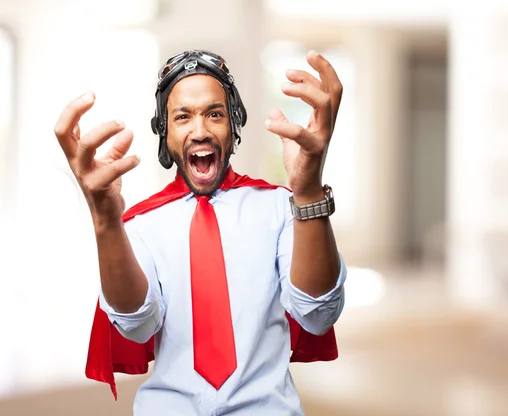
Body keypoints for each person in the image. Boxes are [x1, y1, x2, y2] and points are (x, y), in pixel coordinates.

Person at [53, 49, 347, 415]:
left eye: (214, 114)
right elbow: (137, 327)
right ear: (165, 131)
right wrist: (105, 219)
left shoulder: (282, 209)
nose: (200, 130)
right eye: (182, 117)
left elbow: (317, 314)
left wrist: (308, 191)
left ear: (233, 124)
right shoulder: (138, 225)